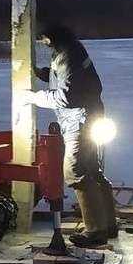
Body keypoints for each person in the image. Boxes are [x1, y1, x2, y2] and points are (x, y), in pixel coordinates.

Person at [26, 23, 118, 246]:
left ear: (51, 37)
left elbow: (67, 96)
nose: (43, 44)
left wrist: (34, 97)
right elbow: (68, 79)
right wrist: (43, 74)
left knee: (75, 171)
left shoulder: (67, 54)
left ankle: (95, 231)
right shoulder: (71, 50)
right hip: (89, 115)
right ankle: (108, 224)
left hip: (79, 119)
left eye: (43, 40)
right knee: (92, 170)